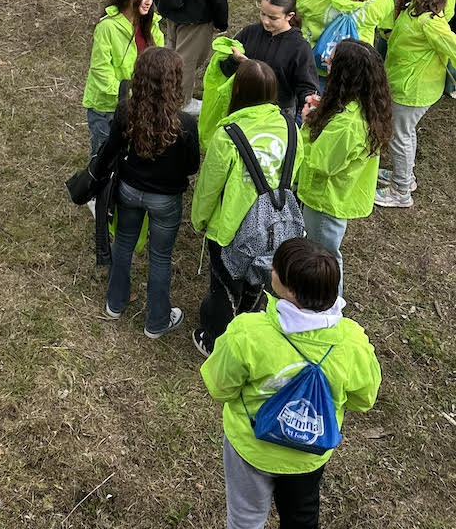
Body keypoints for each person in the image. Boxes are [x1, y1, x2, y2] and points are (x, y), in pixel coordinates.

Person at [201, 237, 381, 529]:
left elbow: (218, 386)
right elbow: (365, 398)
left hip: (250, 447)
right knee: (302, 517)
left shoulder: (248, 333)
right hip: (308, 455)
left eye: (276, 271)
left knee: (246, 514)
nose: (271, 270)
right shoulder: (352, 342)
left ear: (290, 290)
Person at [90, 48, 199, 337]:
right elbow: (191, 166)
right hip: (166, 200)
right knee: (160, 257)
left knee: (123, 244)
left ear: (140, 78)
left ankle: (114, 303)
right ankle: (156, 322)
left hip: (129, 191)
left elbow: (110, 150)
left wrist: (94, 177)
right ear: (173, 82)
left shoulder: (127, 111)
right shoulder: (185, 124)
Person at [191, 59, 291, 355]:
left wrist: (200, 219)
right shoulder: (290, 126)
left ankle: (214, 340)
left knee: (224, 285)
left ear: (237, 92)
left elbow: (209, 187)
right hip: (274, 222)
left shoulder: (228, 136)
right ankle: (247, 322)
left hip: (231, 227)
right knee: (258, 277)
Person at [297, 40, 393, 293]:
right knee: (323, 251)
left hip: (325, 201)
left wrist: (306, 126)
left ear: (345, 72)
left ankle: (330, 304)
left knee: (323, 256)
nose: (326, 59)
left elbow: (319, 163)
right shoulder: (361, 103)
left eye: (332, 58)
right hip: (336, 195)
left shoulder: (347, 124)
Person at [377, 0, 456, 208]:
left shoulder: (431, 23)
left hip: (413, 91)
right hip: (402, 82)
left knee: (401, 136)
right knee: (404, 133)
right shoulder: (414, 8)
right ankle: (405, 177)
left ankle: (401, 191)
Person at [81, 0, 163, 165]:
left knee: (128, 155)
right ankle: (96, 192)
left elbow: (160, 64)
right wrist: (126, 96)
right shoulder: (107, 28)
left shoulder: (153, 26)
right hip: (106, 107)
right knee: (102, 154)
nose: (147, 1)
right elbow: (101, 70)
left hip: (139, 105)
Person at [228, 0, 319, 122]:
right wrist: (234, 61)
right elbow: (225, 69)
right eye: (262, 13)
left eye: (273, 18)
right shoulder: (250, 33)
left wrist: (309, 99)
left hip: (277, 114)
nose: (265, 21)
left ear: (290, 16)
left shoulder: (300, 47)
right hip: (243, 105)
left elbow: (306, 86)